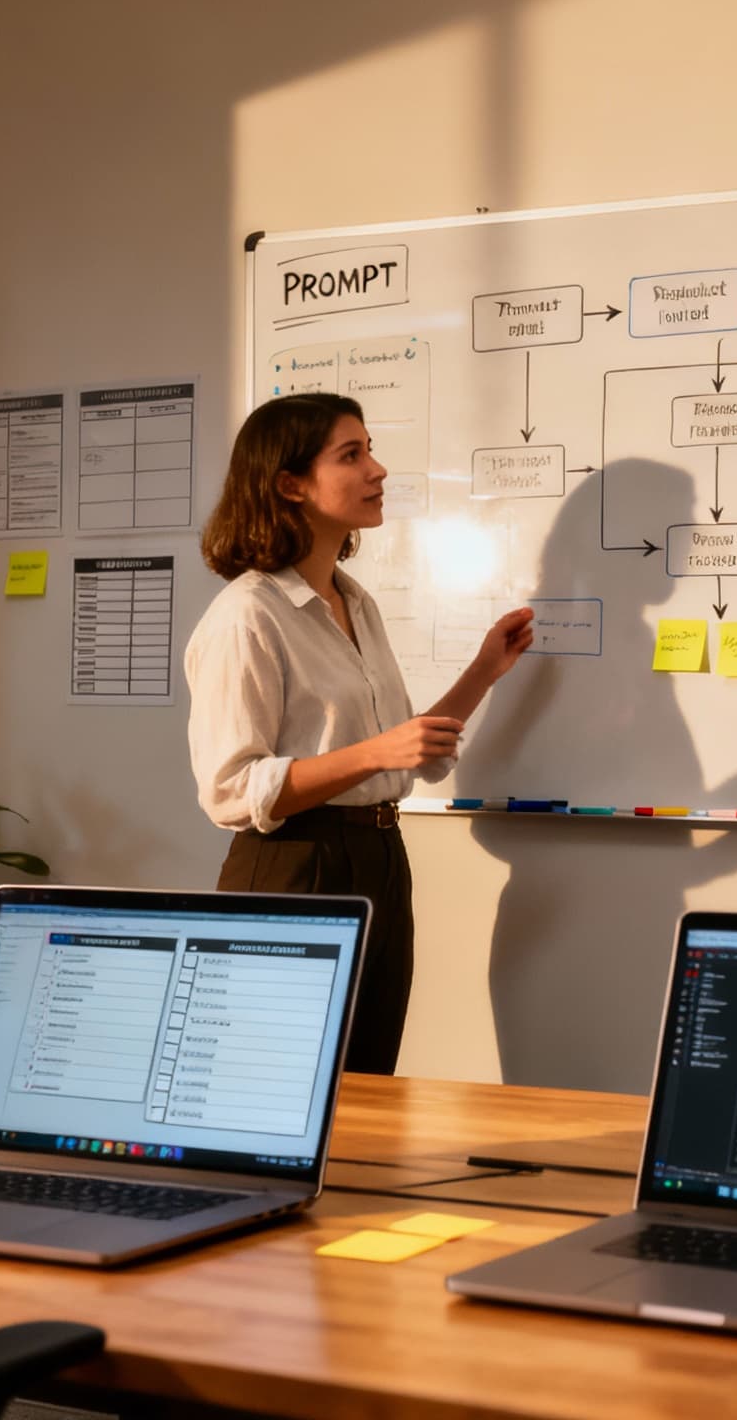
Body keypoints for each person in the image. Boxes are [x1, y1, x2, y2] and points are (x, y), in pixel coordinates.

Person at [186, 392, 534, 1076]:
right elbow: (230, 788)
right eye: (352, 454)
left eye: (371, 450)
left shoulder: (355, 602)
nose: (377, 470)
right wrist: (378, 752)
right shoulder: (247, 616)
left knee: (366, 1087)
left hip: (379, 857)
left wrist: (484, 672)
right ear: (290, 483)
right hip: (293, 865)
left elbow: (399, 749)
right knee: (280, 1092)